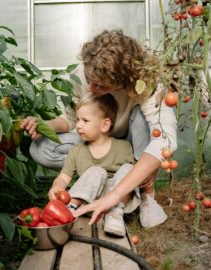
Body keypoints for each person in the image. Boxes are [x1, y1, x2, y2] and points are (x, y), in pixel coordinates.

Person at [21, 29, 177, 227]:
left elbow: (165, 140)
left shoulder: (146, 81)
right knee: (41, 147)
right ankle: (100, 180)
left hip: (131, 145)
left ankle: (142, 192)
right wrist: (44, 126)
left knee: (144, 121)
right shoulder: (83, 72)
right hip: (96, 139)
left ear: (123, 82)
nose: (92, 90)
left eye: (102, 87)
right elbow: (70, 119)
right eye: (89, 81)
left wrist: (115, 195)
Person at [48, 93, 139, 237]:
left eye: (85, 120)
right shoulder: (76, 151)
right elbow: (63, 178)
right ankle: (71, 209)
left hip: (115, 201)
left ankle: (114, 215)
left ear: (104, 125)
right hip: (87, 201)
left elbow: (135, 180)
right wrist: (56, 187)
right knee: (97, 171)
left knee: (130, 170)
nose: (78, 125)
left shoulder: (124, 147)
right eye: (77, 120)